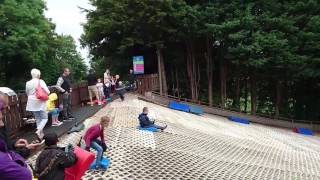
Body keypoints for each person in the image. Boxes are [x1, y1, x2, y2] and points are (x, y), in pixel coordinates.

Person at [0, 94, 41, 159]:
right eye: (2, 109)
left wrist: (14, 144)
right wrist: (27, 149)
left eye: (7, 107)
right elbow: (7, 159)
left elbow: (4, 145)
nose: (5, 112)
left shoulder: (1, 123)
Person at [26, 68, 50, 140]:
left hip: (31, 102)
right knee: (45, 118)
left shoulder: (28, 83)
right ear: (38, 74)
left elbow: (27, 93)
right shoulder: (41, 81)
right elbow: (48, 92)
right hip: (40, 101)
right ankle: (39, 130)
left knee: (38, 118)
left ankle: (41, 135)